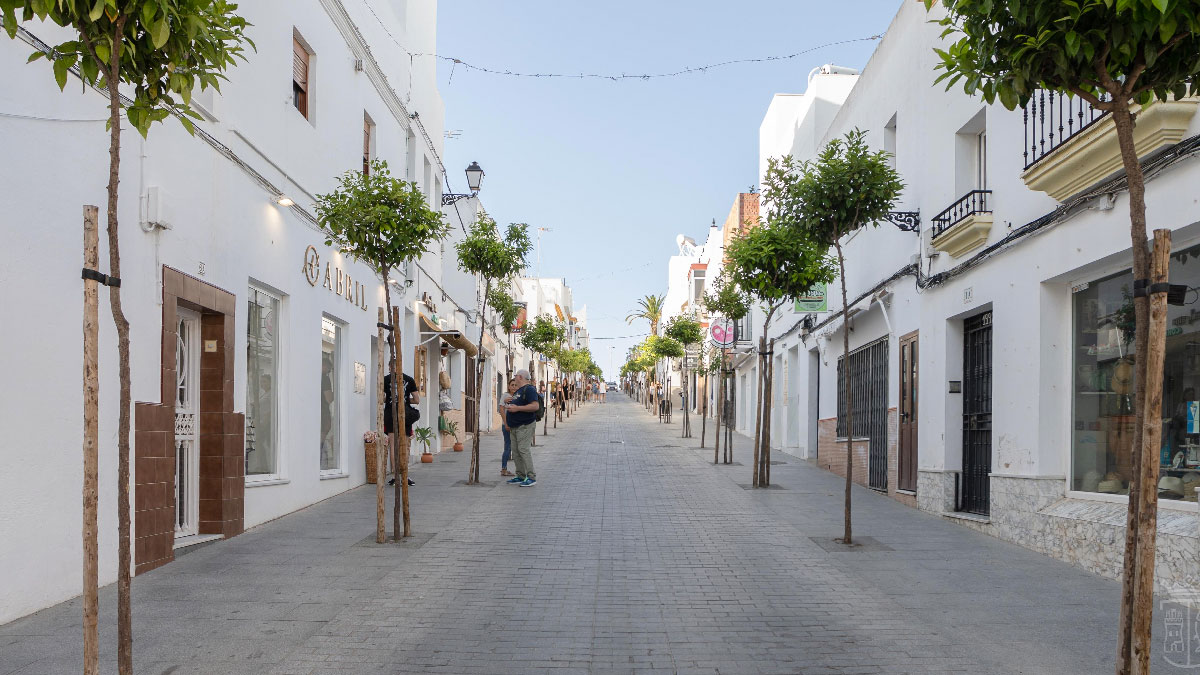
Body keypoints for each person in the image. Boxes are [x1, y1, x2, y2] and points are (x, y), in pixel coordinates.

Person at [384, 370, 419, 487]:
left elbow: (381, 398)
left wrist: (391, 399)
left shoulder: (385, 379)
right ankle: (405, 475)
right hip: (405, 414)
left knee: (393, 445)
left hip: (390, 414)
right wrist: (404, 400)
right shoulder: (409, 379)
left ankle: (395, 476)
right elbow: (417, 400)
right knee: (405, 445)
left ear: (389, 367)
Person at [505, 369, 540, 487]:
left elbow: (535, 406)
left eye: (515, 376)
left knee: (523, 450)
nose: (514, 379)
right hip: (515, 426)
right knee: (515, 452)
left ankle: (531, 477)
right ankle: (520, 475)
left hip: (524, 426)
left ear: (520, 377)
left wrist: (517, 409)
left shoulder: (529, 389)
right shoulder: (519, 391)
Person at [499, 379, 517, 476]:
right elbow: (501, 409)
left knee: (511, 447)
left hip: (515, 425)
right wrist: (506, 423)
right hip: (508, 426)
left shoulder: (517, 396)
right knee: (508, 447)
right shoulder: (506, 396)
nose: (514, 387)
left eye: (515, 385)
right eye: (512, 385)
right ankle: (504, 469)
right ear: (509, 386)